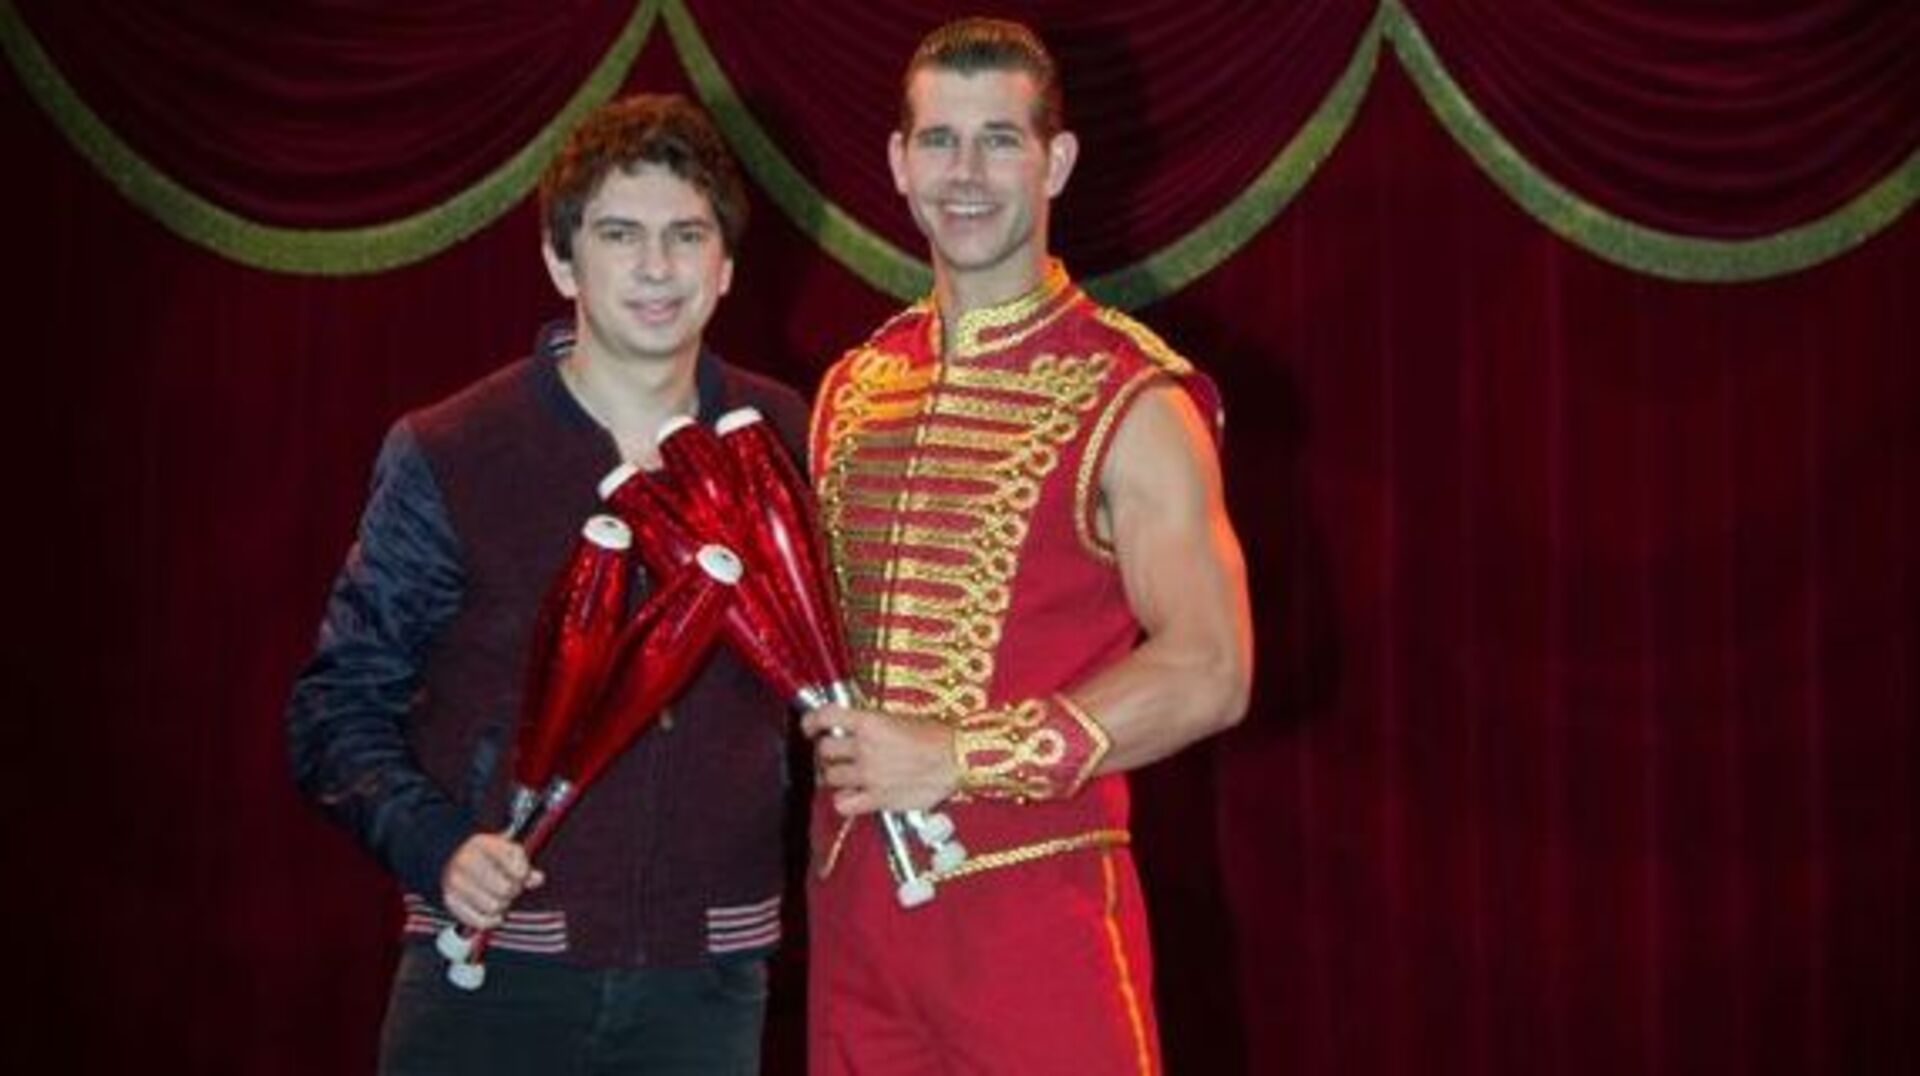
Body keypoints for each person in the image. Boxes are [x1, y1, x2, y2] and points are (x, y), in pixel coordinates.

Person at [286, 93, 806, 1075]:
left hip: (708, 983)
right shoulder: (451, 450)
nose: (656, 266)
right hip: (487, 972)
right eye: (619, 234)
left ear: (727, 265)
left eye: (686, 235)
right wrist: (440, 845)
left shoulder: (790, 441)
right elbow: (335, 707)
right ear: (562, 261)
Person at [801, 16, 1254, 1075]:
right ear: (899, 161)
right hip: (853, 913)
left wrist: (957, 755)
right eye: (940, 140)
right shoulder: (853, 387)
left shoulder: (1133, 395)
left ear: (1057, 161)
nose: (966, 173)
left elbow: (1212, 668)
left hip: (1036, 914)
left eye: (999, 140)